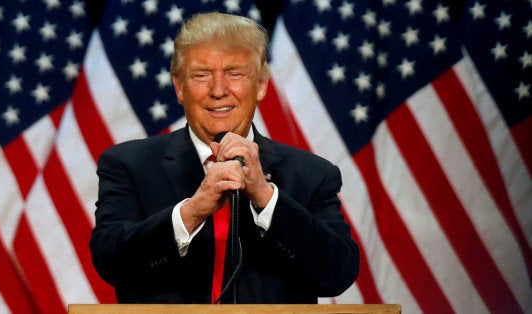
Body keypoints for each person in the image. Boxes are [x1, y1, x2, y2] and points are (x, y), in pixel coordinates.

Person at [90, 12, 359, 304]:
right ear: (179, 86)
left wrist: (265, 197)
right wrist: (191, 212)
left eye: (235, 74)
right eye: (201, 75)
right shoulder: (128, 164)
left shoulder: (311, 174)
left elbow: (338, 274)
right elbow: (110, 261)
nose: (218, 90)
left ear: (261, 85)